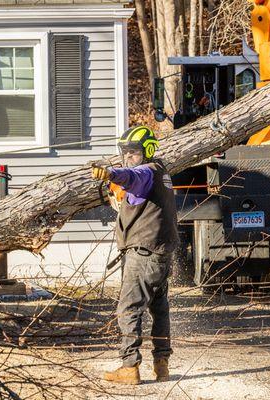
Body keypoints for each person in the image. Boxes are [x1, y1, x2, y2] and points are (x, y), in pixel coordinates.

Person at [91, 125, 179, 385]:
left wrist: (109, 173)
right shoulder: (162, 171)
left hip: (144, 252)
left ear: (148, 151)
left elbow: (130, 176)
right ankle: (161, 364)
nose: (129, 156)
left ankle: (129, 366)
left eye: (134, 152)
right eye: (125, 152)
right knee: (159, 308)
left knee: (129, 308)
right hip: (162, 252)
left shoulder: (144, 172)